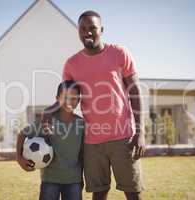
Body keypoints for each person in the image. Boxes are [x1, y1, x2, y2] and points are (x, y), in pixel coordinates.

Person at [41, 10, 146, 200]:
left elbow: (136, 92)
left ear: (102, 30)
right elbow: (67, 98)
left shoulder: (120, 53)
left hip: (123, 137)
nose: (87, 32)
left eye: (92, 28)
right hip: (92, 141)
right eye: (83, 28)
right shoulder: (72, 64)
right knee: (99, 193)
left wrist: (140, 132)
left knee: (133, 192)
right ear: (78, 31)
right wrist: (50, 110)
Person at [16, 80, 85, 200]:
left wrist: (82, 178)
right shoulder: (47, 121)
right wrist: (19, 158)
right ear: (57, 98)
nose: (69, 101)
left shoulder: (81, 124)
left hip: (73, 180)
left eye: (74, 98)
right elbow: (22, 134)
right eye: (65, 97)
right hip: (50, 180)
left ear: (79, 100)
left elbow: (82, 154)